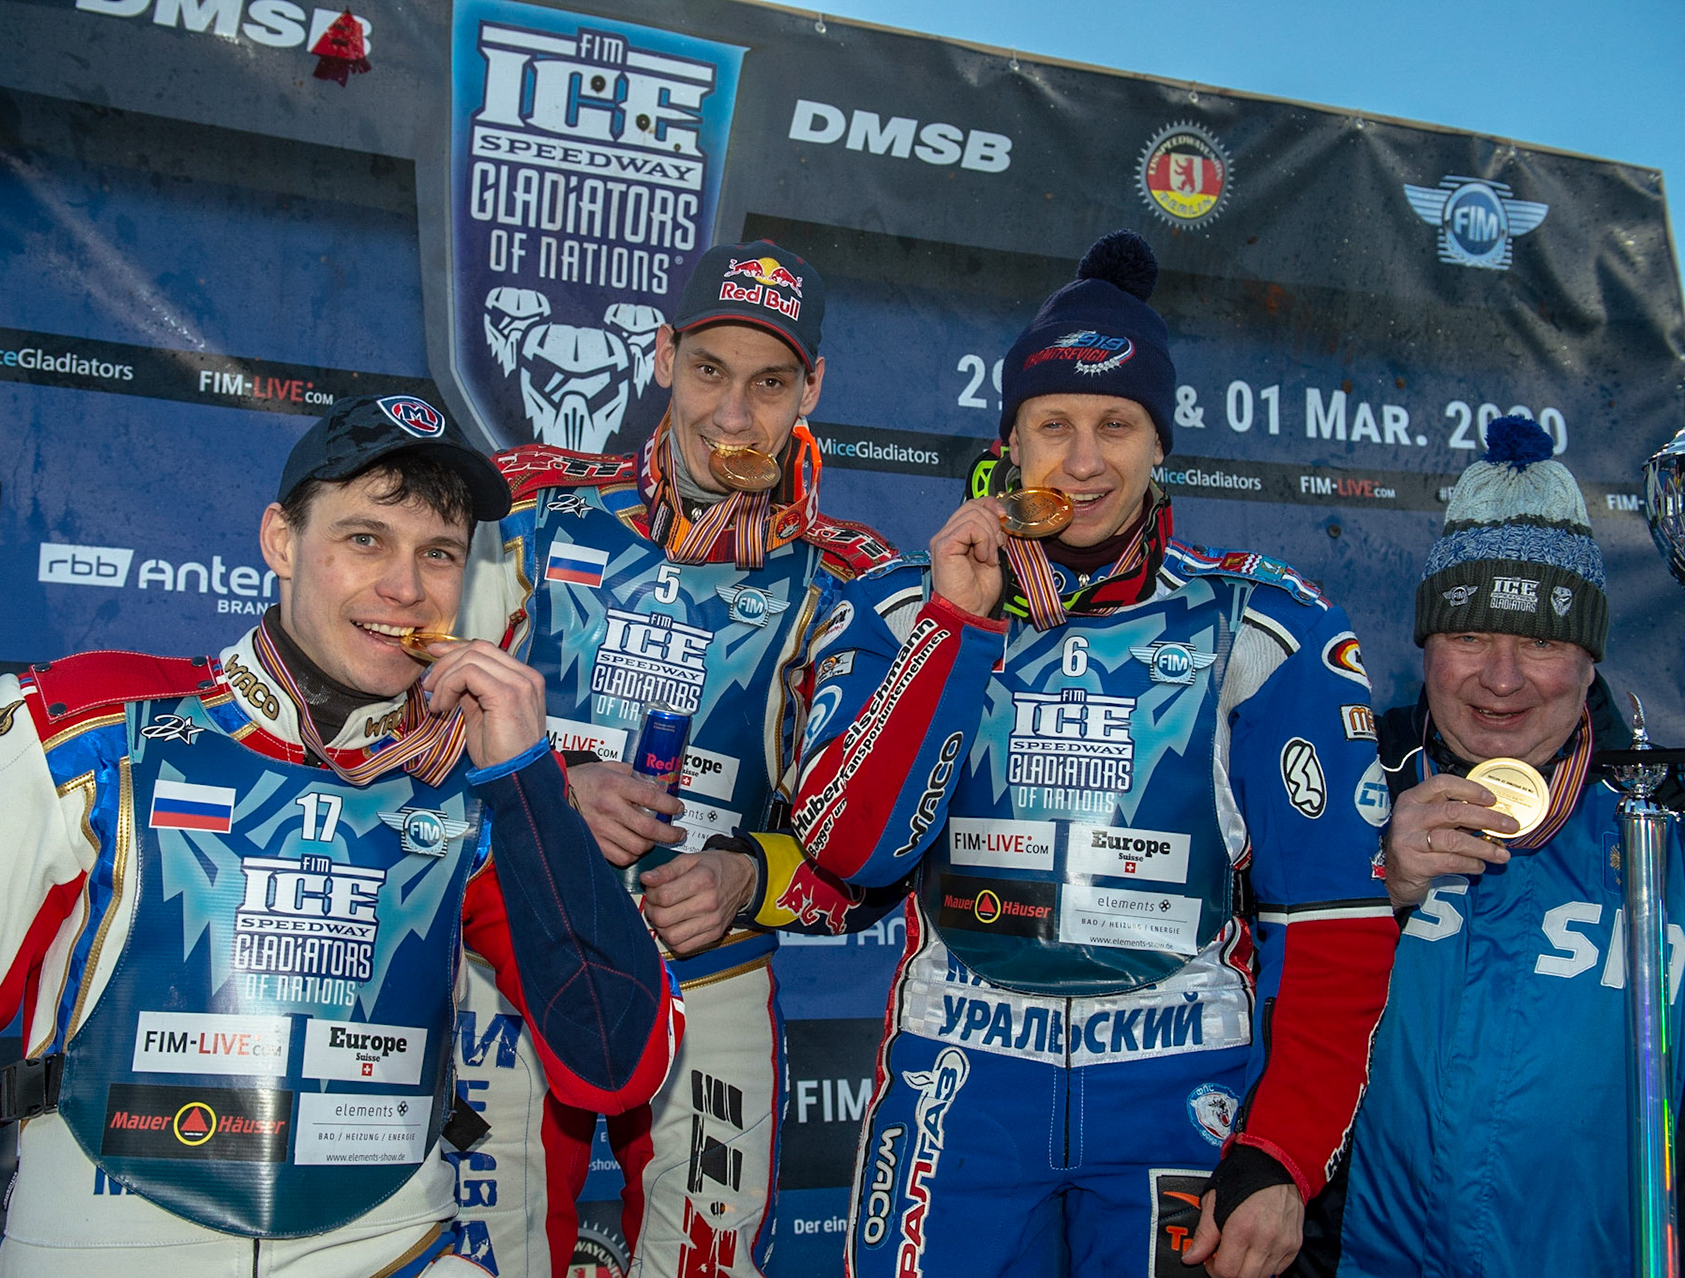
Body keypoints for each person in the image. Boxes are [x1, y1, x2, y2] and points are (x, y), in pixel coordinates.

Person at [0, 395, 681, 1278]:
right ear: (280, 539)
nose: (406, 586)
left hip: (395, 1251)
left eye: (439, 554)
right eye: (364, 540)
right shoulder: (82, 728)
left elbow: (615, 1064)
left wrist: (529, 776)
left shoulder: (466, 778)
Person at [787, 230, 1399, 1278]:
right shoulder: (904, 605)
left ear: (1161, 444)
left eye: (1116, 425)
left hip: (1179, 1097)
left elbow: (1336, 920)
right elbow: (852, 851)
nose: (1082, 462)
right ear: (1007, 442)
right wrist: (956, 629)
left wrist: (1285, 1150)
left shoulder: (1260, 628)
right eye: (1053, 425)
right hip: (960, 1082)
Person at [451, 240, 900, 1278]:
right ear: (661, 356)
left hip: (715, 959)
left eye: (769, 383)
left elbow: (876, 841)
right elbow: (403, 722)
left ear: (812, 390)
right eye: (709, 371)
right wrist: (550, 795)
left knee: (707, 1264)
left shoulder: (851, 582)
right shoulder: (526, 509)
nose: (733, 417)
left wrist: (753, 875)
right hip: (513, 946)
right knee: (488, 1259)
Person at [1293, 417, 1685, 1276]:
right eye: (1470, 636)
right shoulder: (1339, 785)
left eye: (1542, 642)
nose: (1501, 679)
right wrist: (1367, 885)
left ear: (1590, 661)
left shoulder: (1662, 820)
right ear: (1426, 644)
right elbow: (1232, 1002)